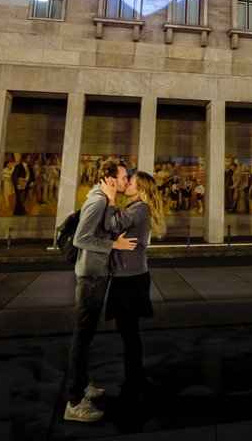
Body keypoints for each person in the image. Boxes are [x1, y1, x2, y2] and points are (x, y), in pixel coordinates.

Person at [64, 162, 136, 423]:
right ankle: (74, 402)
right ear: (110, 178)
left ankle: (82, 386)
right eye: (123, 177)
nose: (126, 180)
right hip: (91, 276)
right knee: (82, 337)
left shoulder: (103, 198)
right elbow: (80, 239)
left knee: (86, 334)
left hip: (96, 274)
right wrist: (112, 244)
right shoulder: (97, 201)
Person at [102, 170, 165, 402]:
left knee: (129, 335)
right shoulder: (135, 207)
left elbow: (111, 225)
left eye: (132, 182)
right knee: (130, 334)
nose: (126, 183)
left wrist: (109, 198)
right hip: (132, 277)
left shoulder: (138, 208)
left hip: (129, 279)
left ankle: (134, 383)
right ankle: (136, 379)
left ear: (141, 189)